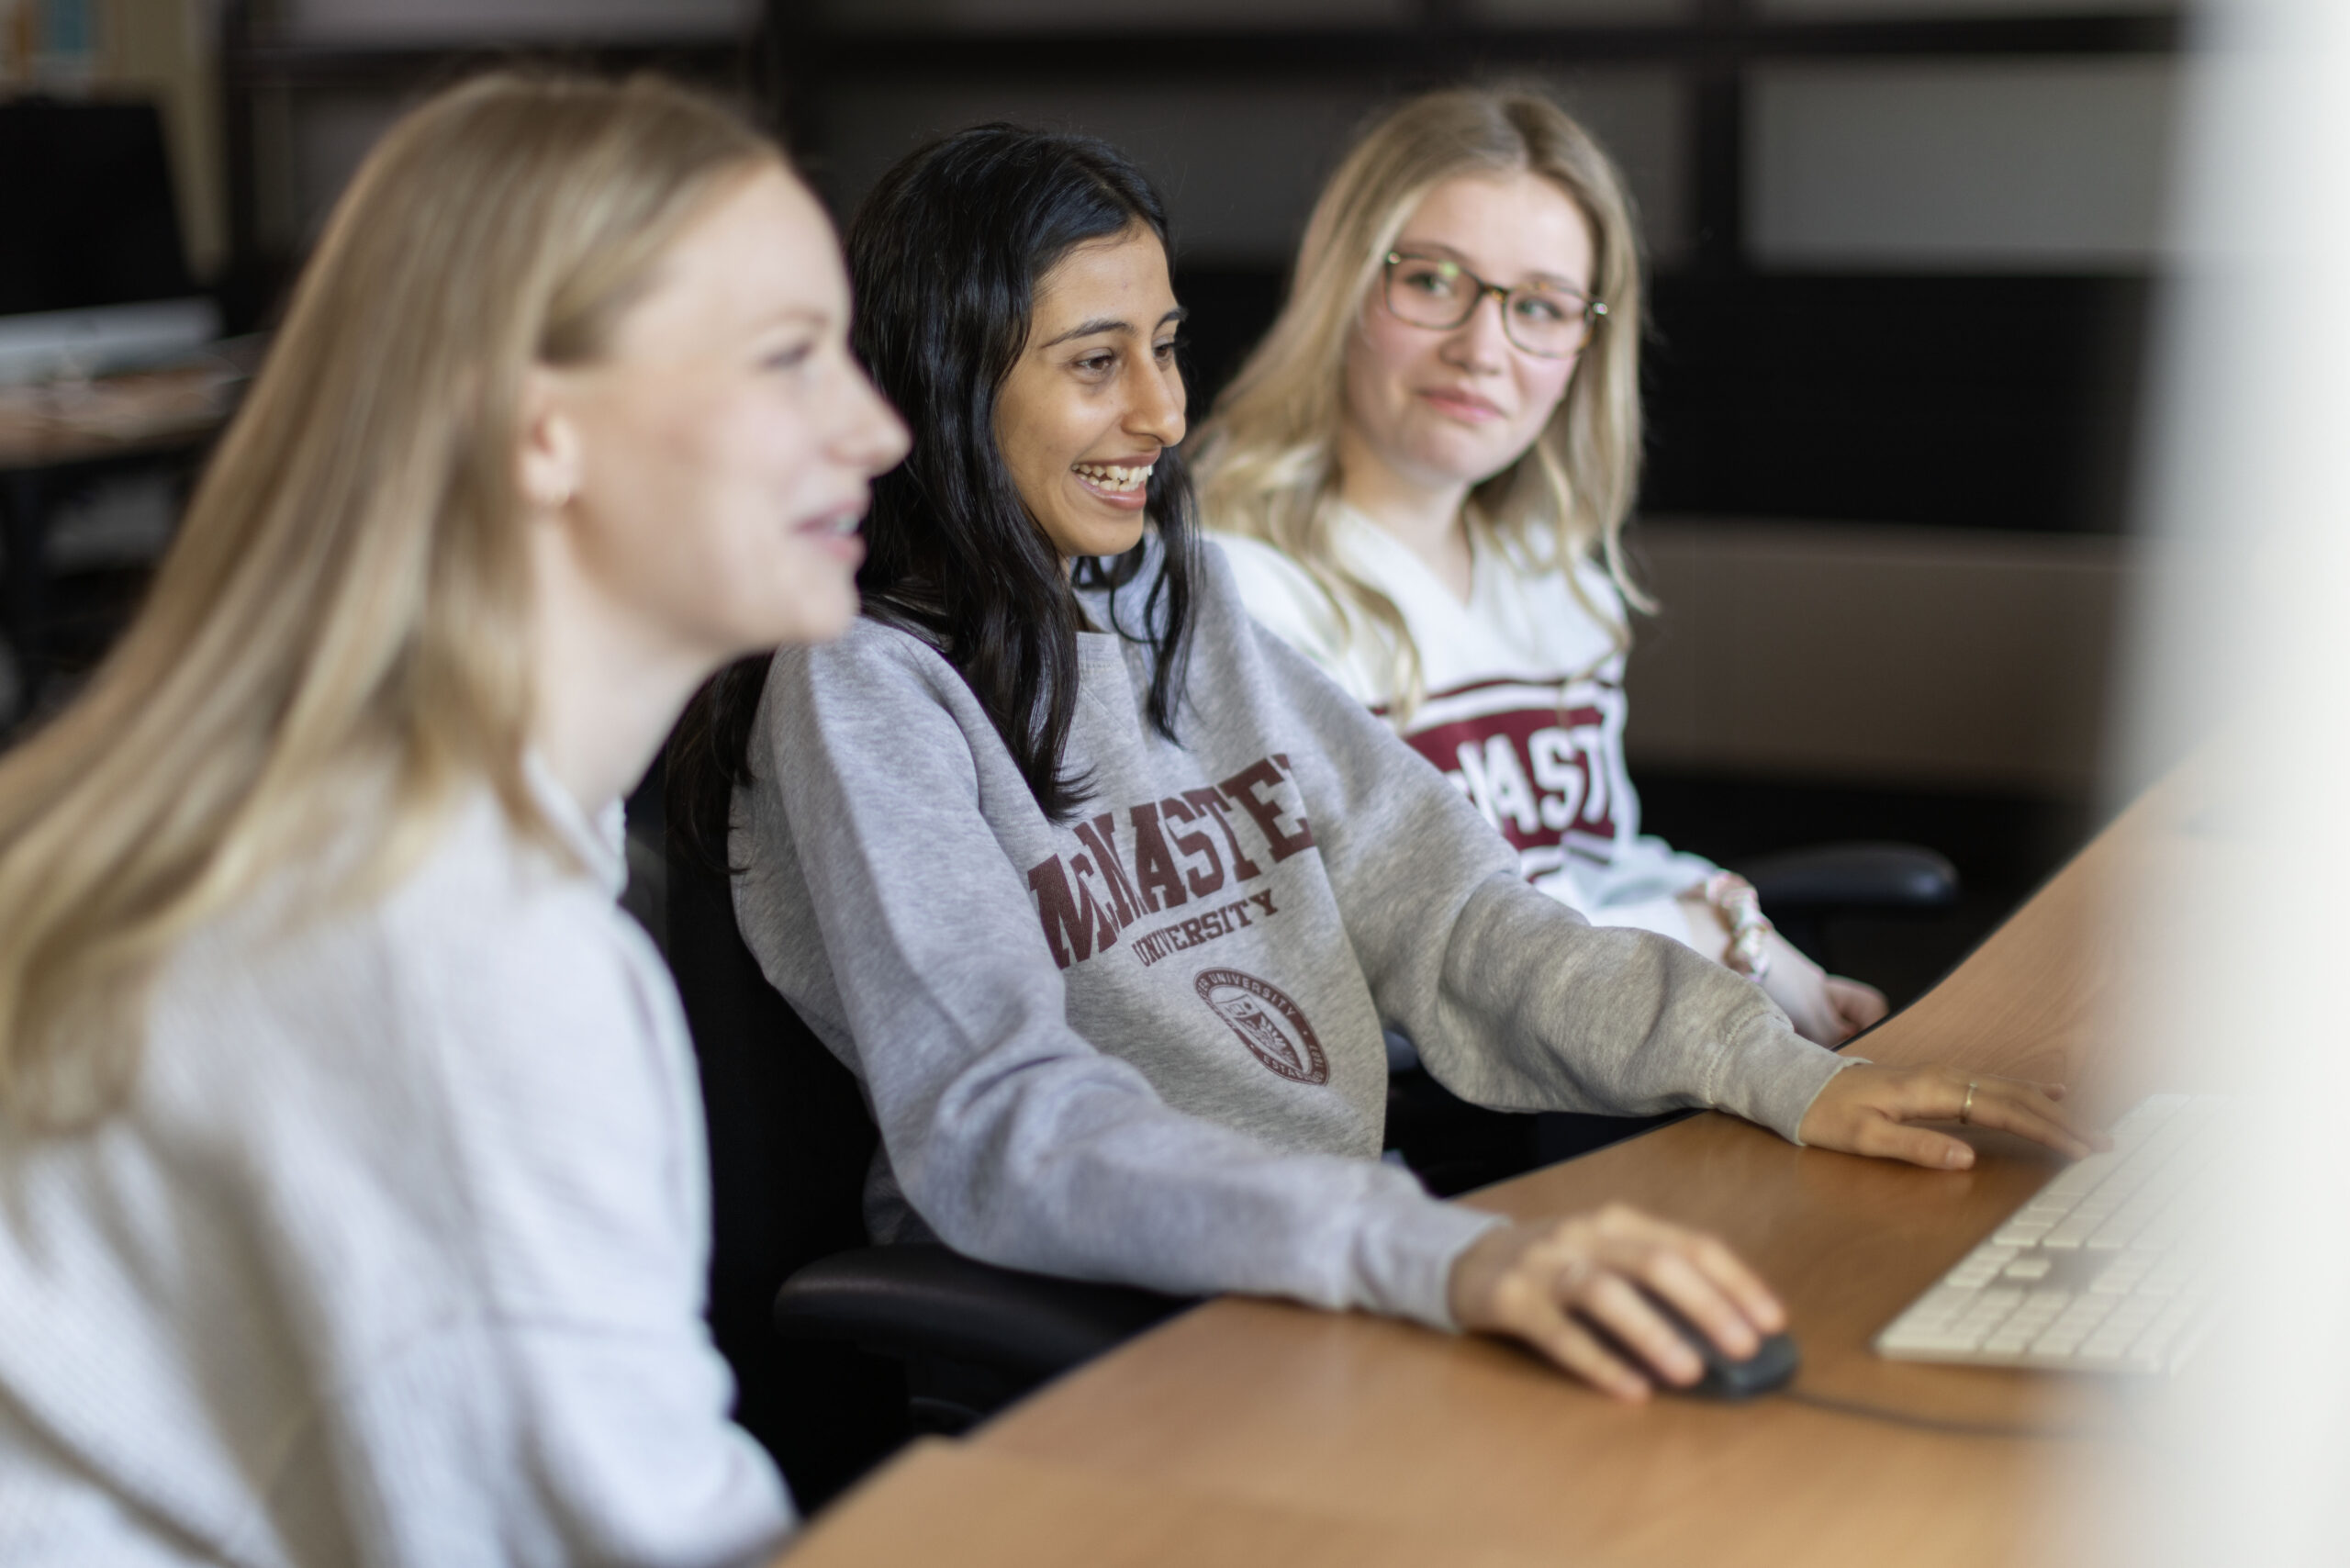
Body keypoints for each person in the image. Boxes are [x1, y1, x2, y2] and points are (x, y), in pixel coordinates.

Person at [692, 123, 2099, 1406]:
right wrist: (1418, 1248)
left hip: (1337, 1273)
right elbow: (1003, 1122)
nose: (1164, 414)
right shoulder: (864, 686)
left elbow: (1452, 911)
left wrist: (1774, 1067)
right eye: (1093, 362)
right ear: (947, 373)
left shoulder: (1183, 605)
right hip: (1110, 1340)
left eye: (1167, 347)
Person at [0, 74, 906, 1563]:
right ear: (540, 430)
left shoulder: (345, 819)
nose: (873, 428)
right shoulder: (444, 938)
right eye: (789, 358)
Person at [1196, 88, 1884, 1047]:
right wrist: (1708, 937)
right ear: (1343, 287)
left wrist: (1740, 926)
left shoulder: (1557, 579)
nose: (1482, 349)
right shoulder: (1229, 587)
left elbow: (1584, 857)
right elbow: (1366, 945)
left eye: (1539, 307)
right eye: (1432, 280)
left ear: (1583, 347)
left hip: (1607, 1057)